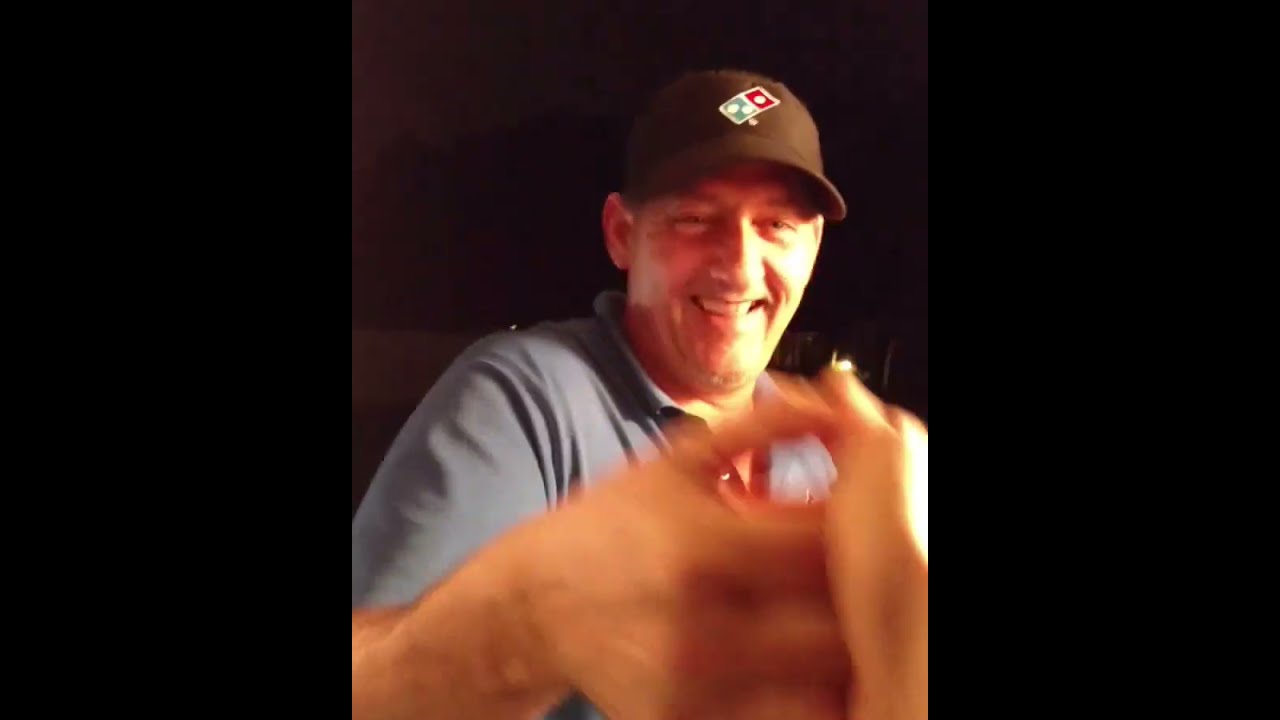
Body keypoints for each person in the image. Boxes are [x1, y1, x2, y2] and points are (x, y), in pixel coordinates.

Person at [352, 68, 926, 719]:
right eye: (695, 219)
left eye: (776, 225)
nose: (739, 267)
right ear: (622, 234)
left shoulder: (827, 447)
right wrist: (531, 623)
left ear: (813, 247)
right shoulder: (524, 398)